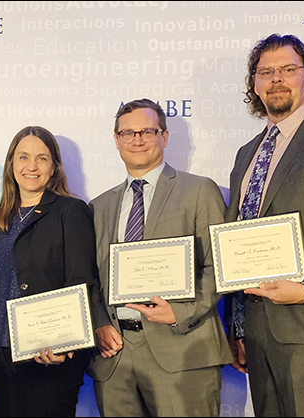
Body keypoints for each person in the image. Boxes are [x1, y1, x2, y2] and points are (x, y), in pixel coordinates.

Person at [224, 33, 304, 417]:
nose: (276, 79)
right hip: (258, 334)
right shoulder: (246, 154)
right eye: (266, 72)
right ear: (255, 84)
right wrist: (238, 326)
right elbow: (238, 240)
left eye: (287, 69)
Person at [86, 98, 232, 416]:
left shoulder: (199, 191)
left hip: (182, 348)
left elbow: (221, 265)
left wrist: (180, 312)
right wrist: (99, 324)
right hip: (115, 356)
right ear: (116, 140)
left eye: (147, 131)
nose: (137, 140)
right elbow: (90, 278)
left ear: (164, 136)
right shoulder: (99, 207)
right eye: (128, 133)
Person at [0, 126, 97, 417]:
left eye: (41, 158)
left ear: (54, 167)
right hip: (1, 360)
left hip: (48, 361)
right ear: (11, 165)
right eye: (23, 157)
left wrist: (65, 345)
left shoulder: (70, 211)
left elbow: (81, 282)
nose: (31, 166)